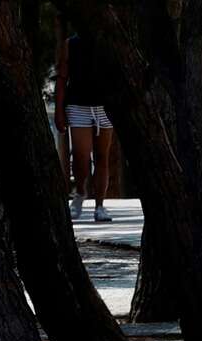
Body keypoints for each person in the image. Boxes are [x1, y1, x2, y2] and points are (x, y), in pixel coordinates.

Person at [55, 32, 114, 223]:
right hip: (78, 104)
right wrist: (59, 110)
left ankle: (100, 206)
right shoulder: (70, 43)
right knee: (81, 155)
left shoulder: (110, 38)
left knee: (102, 156)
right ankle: (80, 192)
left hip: (104, 106)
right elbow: (62, 79)